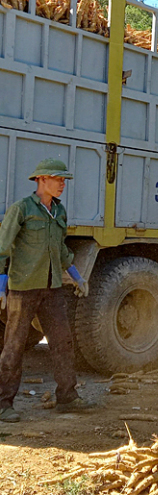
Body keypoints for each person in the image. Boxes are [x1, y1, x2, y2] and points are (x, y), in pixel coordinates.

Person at [0, 159, 93, 422]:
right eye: (58, 179)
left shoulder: (59, 212)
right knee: (14, 347)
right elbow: (2, 248)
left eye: (64, 180)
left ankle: (67, 397)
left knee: (62, 341)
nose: (63, 184)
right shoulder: (22, 210)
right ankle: (3, 404)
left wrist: (76, 276)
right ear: (41, 180)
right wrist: (0, 285)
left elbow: (61, 250)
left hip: (52, 289)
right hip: (23, 289)